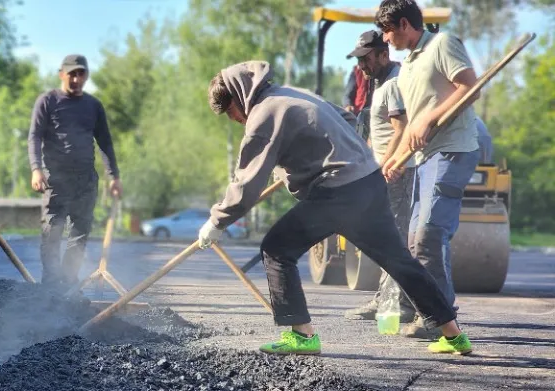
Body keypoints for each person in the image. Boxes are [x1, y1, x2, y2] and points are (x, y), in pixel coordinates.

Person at [198, 60, 472, 356]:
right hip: (368, 180)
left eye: (231, 113)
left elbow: (247, 182)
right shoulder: (293, 94)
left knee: (277, 248)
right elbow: (346, 118)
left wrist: (217, 221)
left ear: (239, 98)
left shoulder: (263, 115)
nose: (234, 120)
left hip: (338, 192)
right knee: (399, 262)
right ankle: (454, 335)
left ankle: (302, 335)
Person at [376, 0, 481, 339]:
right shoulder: (406, 67)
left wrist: (434, 117)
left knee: (430, 235)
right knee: (414, 241)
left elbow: (470, 86)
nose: (386, 39)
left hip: (452, 151)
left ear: (405, 24)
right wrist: (394, 161)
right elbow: (413, 125)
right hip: (423, 160)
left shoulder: (442, 44)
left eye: (388, 31)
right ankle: (436, 315)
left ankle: (440, 320)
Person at [28, 54, 122, 289]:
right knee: (52, 234)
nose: (76, 78)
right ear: (62, 74)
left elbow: (105, 143)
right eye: (72, 73)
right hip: (56, 180)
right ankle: (50, 286)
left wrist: (113, 177)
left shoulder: (93, 106)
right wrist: (36, 169)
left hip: (85, 180)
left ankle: (68, 285)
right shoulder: (47, 101)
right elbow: (34, 136)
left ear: (86, 76)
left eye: (81, 74)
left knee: (79, 235)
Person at [343, 30, 417, 324]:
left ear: (384, 54)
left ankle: (404, 303)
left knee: (394, 239)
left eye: (367, 59)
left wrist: (384, 165)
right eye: (359, 60)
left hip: (395, 173)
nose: (362, 66)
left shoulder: (395, 83)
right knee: (387, 238)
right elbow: (383, 132)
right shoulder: (382, 82)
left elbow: (402, 129)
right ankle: (386, 298)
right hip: (386, 169)